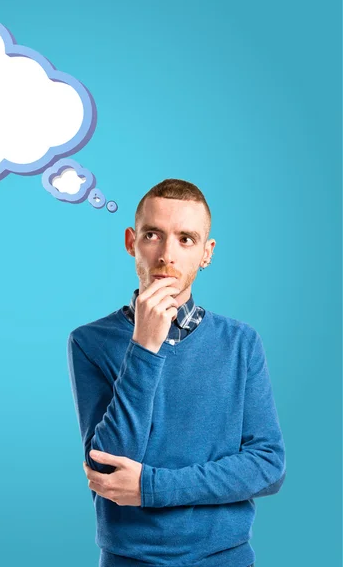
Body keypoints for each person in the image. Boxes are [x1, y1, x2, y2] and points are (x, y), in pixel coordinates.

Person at [67, 179, 285, 567]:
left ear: (206, 253)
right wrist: (145, 348)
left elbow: (268, 466)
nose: (167, 254)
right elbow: (105, 471)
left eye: (186, 239)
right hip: (130, 560)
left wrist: (152, 487)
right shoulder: (90, 342)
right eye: (154, 235)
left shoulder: (240, 342)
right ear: (131, 241)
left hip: (226, 559)